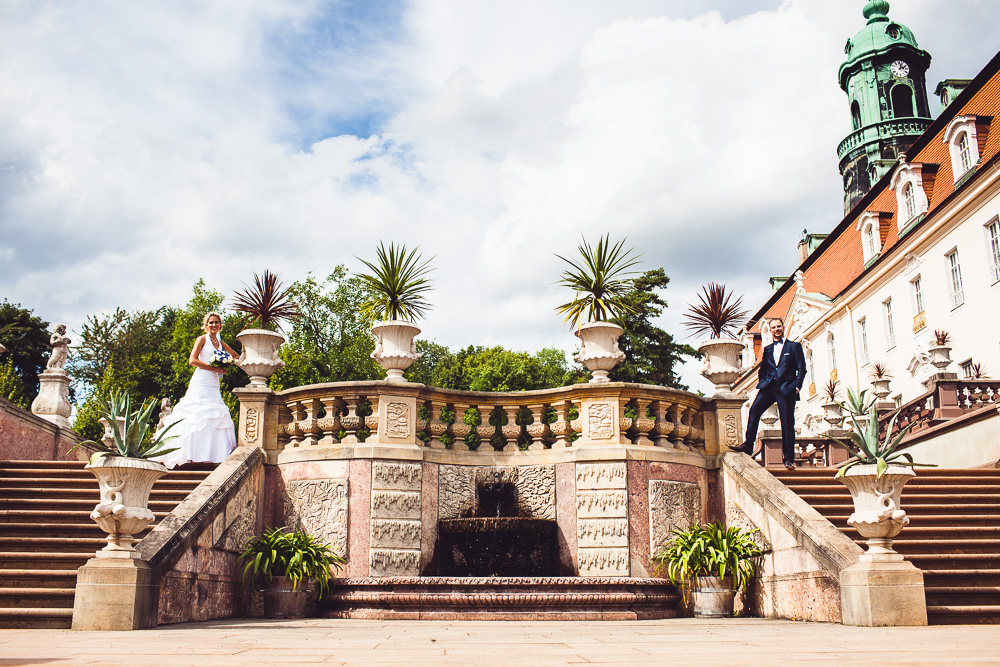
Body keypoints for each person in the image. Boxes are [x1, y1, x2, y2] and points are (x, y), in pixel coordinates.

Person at [153, 312, 241, 469]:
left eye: (216, 322)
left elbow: (236, 356)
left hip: (214, 382)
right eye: (211, 322)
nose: (213, 325)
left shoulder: (221, 343)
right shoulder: (202, 339)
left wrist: (227, 363)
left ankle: (211, 455)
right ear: (206, 325)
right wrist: (213, 367)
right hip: (201, 379)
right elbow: (192, 360)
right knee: (195, 415)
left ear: (220, 325)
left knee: (214, 415)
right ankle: (187, 455)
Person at [731, 317, 806, 471]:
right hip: (768, 387)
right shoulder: (767, 349)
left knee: (787, 424)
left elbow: (802, 368)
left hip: (787, 388)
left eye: (779, 326)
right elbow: (763, 369)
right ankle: (748, 445)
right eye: (774, 327)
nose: (776, 329)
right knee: (754, 410)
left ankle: (788, 459)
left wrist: (797, 387)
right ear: (770, 330)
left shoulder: (794, 347)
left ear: (783, 327)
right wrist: (764, 381)